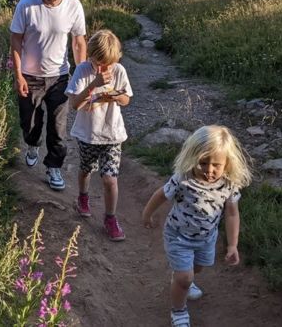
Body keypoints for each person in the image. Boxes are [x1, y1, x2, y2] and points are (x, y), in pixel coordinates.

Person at [141, 125, 252, 327]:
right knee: (184, 277)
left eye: (216, 165)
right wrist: (147, 214)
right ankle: (178, 310)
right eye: (203, 163)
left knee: (197, 269)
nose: (209, 170)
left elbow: (232, 213)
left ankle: (182, 278)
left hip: (206, 239)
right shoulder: (183, 179)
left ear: (227, 164)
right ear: (193, 157)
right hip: (178, 237)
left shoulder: (228, 185)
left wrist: (232, 245)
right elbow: (160, 195)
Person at [10, 0, 87, 191]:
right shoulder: (26, 4)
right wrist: (18, 76)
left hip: (60, 77)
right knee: (30, 123)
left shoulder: (73, 6)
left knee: (58, 127)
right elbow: (15, 41)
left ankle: (54, 166)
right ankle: (33, 144)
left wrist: (80, 76)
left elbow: (78, 43)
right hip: (30, 76)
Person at [65, 29, 132, 241]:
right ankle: (83, 197)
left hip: (112, 134)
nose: (104, 68)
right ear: (90, 57)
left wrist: (113, 96)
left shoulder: (119, 71)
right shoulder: (83, 70)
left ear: (117, 59)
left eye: (109, 64)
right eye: (99, 63)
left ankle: (110, 218)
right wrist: (94, 85)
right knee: (86, 169)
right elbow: (75, 104)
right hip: (87, 133)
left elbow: (126, 99)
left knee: (110, 179)